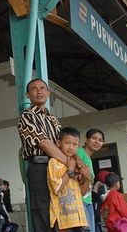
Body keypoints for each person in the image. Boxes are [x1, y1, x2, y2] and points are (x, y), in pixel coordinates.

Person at [18, 78, 79, 231]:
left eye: (42, 88)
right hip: (39, 167)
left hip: (58, 167)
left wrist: (77, 163)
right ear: (28, 95)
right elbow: (44, 143)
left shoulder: (53, 119)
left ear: (48, 93)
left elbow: (64, 144)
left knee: (61, 208)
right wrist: (68, 162)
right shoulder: (27, 116)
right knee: (43, 211)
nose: (39, 91)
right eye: (34, 89)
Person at [47, 127, 89, 232]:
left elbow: (83, 194)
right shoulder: (54, 162)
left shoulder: (78, 165)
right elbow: (57, 189)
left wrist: (87, 178)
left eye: (74, 145)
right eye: (67, 143)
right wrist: (70, 170)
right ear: (58, 143)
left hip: (79, 220)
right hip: (63, 219)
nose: (71, 147)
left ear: (78, 146)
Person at [76, 128, 105, 232]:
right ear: (86, 140)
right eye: (94, 138)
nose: (97, 142)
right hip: (80, 201)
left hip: (88, 200)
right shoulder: (79, 152)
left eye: (100, 140)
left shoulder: (88, 158)